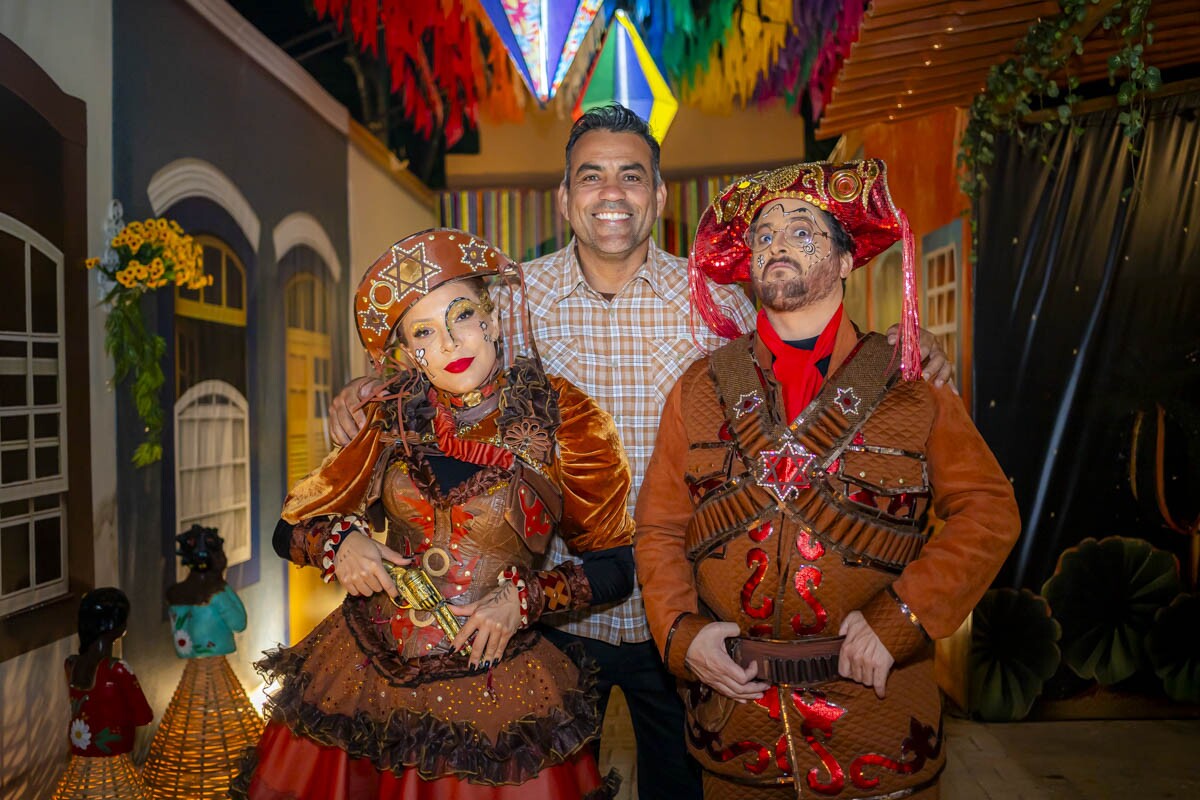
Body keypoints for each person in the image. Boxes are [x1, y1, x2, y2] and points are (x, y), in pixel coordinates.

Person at [328, 105, 955, 800]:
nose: (612, 192)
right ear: (565, 197)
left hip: (684, 615)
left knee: (686, 789)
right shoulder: (514, 302)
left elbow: (810, 364)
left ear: (657, 194)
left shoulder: (719, 300)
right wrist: (370, 388)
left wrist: (902, 353)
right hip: (548, 614)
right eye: (591, 176)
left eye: (631, 175)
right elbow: (443, 367)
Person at [634, 159, 1021, 799]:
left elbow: (988, 511)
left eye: (804, 232)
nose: (777, 244)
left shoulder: (911, 384)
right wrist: (681, 633)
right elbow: (659, 526)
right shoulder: (698, 389)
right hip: (737, 725)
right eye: (763, 235)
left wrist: (906, 614)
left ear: (847, 261)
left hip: (878, 716)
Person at [232, 228, 634, 799]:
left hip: (498, 687)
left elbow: (617, 565)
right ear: (406, 351)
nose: (450, 343)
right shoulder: (389, 415)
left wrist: (524, 600)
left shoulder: (560, 414)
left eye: (462, 316)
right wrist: (341, 543)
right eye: (425, 331)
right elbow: (289, 527)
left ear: (492, 321)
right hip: (365, 674)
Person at [142, 525, 262, 798]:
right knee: (221, 736)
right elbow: (239, 623)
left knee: (192, 740)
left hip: (193, 673)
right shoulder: (218, 594)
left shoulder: (175, 594)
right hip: (215, 670)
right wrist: (222, 585)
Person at [51, 588, 154, 800]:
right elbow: (143, 716)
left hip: (82, 757)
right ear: (115, 627)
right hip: (115, 760)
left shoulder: (71, 664)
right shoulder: (117, 669)